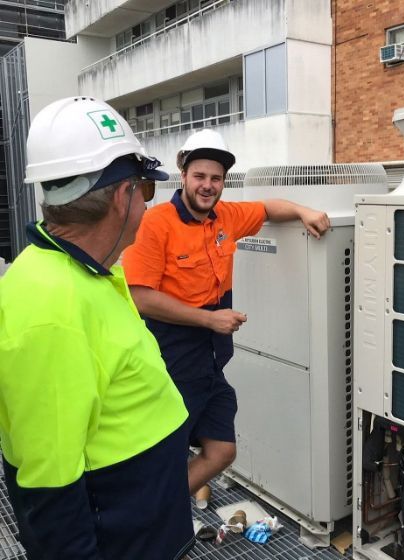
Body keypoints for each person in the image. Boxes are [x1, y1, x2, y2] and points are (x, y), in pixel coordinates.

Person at [0, 97, 194, 560]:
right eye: (145, 191)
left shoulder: (86, 270)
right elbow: (50, 493)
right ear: (123, 196)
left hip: (146, 527)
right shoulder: (51, 309)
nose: (148, 205)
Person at [122, 129, 331, 494]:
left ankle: (163, 510)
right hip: (169, 359)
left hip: (211, 358)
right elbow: (139, 297)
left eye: (215, 178)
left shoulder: (226, 217)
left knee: (221, 450)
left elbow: (267, 208)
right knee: (162, 455)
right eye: (200, 176)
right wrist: (208, 319)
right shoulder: (156, 224)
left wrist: (302, 210)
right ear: (183, 175)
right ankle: (156, 523)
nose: (208, 185)